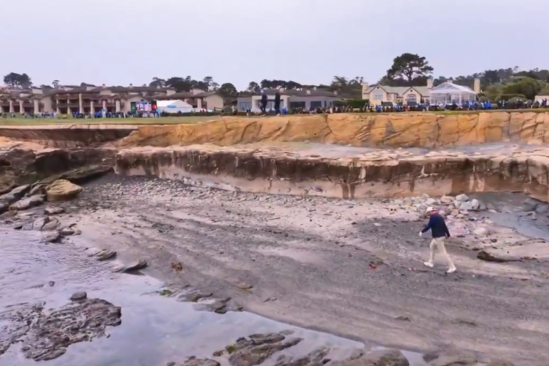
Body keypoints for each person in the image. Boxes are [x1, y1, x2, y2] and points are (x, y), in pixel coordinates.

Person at [419, 207, 456, 273]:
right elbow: (444, 226)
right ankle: (430, 262)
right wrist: (448, 234)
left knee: (443, 253)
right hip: (439, 236)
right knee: (432, 247)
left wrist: (422, 231)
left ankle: (452, 266)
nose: (428, 214)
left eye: (428, 212)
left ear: (431, 211)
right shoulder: (439, 217)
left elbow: (429, 226)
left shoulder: (433, 217)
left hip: (438, 237)